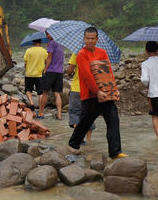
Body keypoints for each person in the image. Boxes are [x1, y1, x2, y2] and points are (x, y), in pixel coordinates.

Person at [68, 27, 127, 159]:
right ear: (84, 39)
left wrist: (114, 89)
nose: (89, 41)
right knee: (85, 122)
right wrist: (97, 91)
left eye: (92, 38)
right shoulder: (81, 54)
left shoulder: (102, 52)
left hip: (106, 94)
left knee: (113, 120)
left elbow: (108, 72)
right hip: (90, 96)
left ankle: (115, 152)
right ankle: (73, 144)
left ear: (96, 39)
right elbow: (86, 76)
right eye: (87, 38)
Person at [67, 53, 95, 143]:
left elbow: (70, 70)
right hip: (90, 89)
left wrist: (69, 73)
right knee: (89, 114)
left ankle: (80, 138)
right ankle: (89, 140)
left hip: (77, 88)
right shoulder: (95, 54)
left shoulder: (76, 53)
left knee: (75, 113)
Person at [38, 31, 64, 119]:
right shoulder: (60, 43)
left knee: (45, 92)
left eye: (48, 34)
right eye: (46, 34)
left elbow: (49, 57)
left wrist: (45, 69)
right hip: (59, 71)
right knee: (57, 93)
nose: (47, 36)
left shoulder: (52, 43)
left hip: (51, 71)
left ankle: (41, 112)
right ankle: (59, 114)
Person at [23, 39, 48, 113]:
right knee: (40, 92)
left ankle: (31, 103)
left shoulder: (28, 50)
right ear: (40, 42)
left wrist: (26, 69)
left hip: (29, 74)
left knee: (28, 90)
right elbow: (47, 62)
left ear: (33, 42)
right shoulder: (44, 51)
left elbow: (25, 62)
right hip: (39, 74)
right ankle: (40, 109)